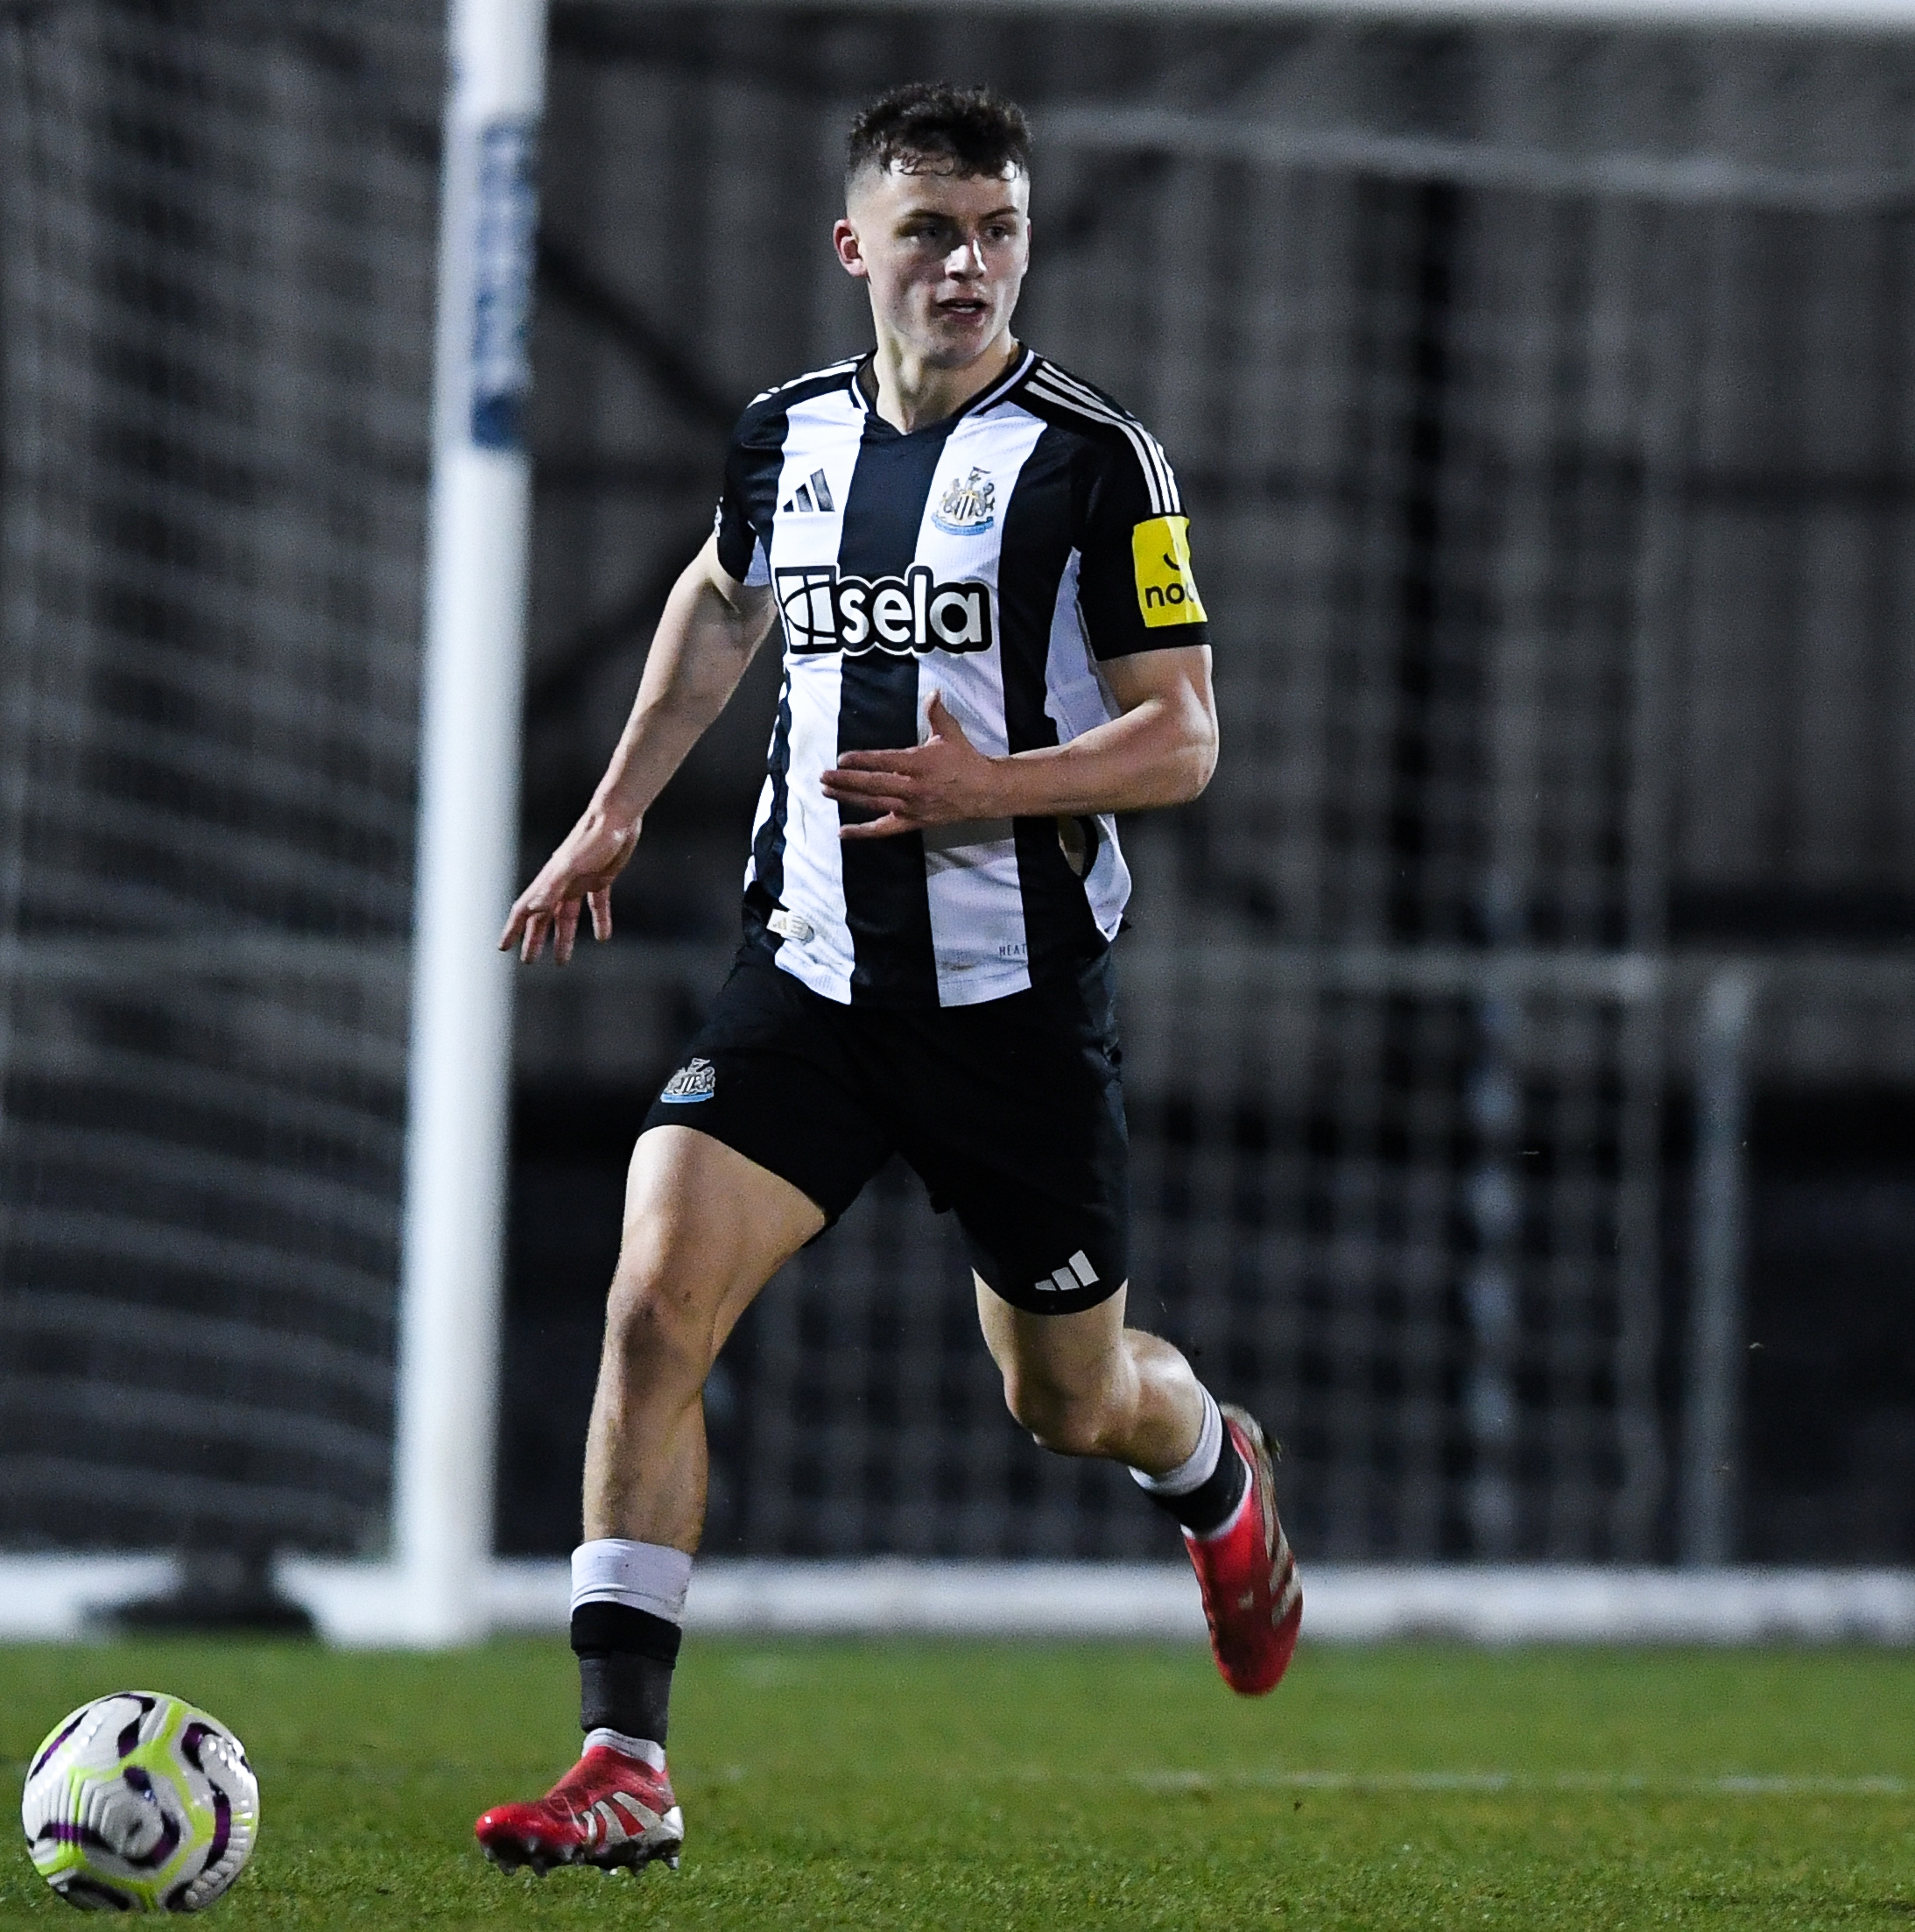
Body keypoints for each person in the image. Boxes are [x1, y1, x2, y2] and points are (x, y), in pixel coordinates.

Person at [475, 81, 1301, 1877]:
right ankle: (624, 1756)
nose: (970, 264)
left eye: (997, 228)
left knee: (1065, 1402)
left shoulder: (1094, 461)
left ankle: (1213, 1472)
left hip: (1013, 1011)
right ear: (856, 245)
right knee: (646, 1310)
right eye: (931, 230)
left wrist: (985, 789)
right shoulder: (784, 435)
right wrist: (612, 810)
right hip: (810, 980)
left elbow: (1184, 739)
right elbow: (719, 599)